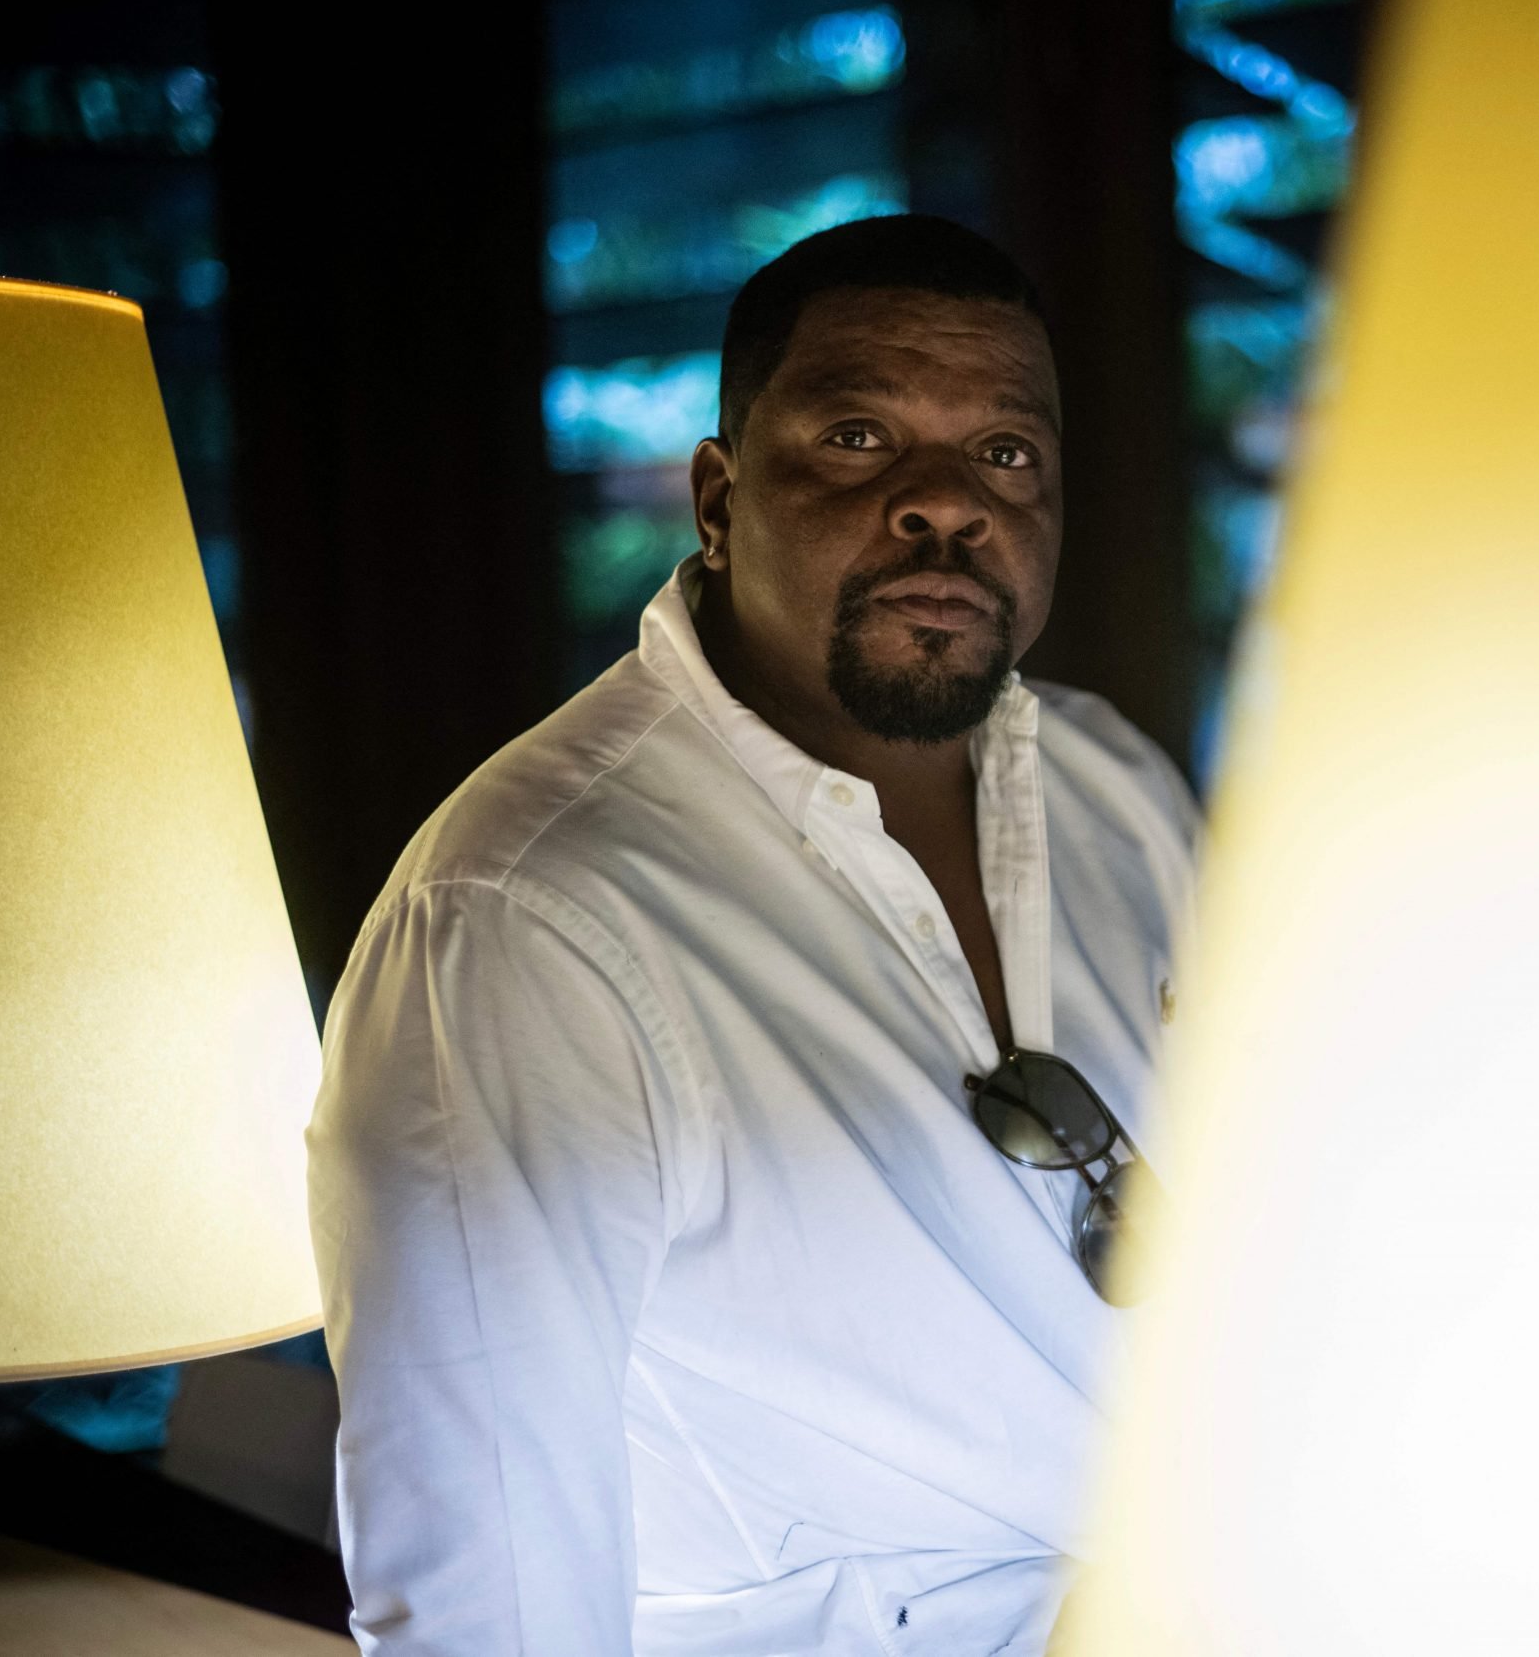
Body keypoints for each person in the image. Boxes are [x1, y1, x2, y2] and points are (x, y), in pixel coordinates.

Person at [307, 214, 1197, 1657]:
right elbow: (488, 1573)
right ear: (717, 497)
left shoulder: (1119, 792)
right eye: (858, 438)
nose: (943, 505)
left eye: (1006, 455)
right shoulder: (525, 917)